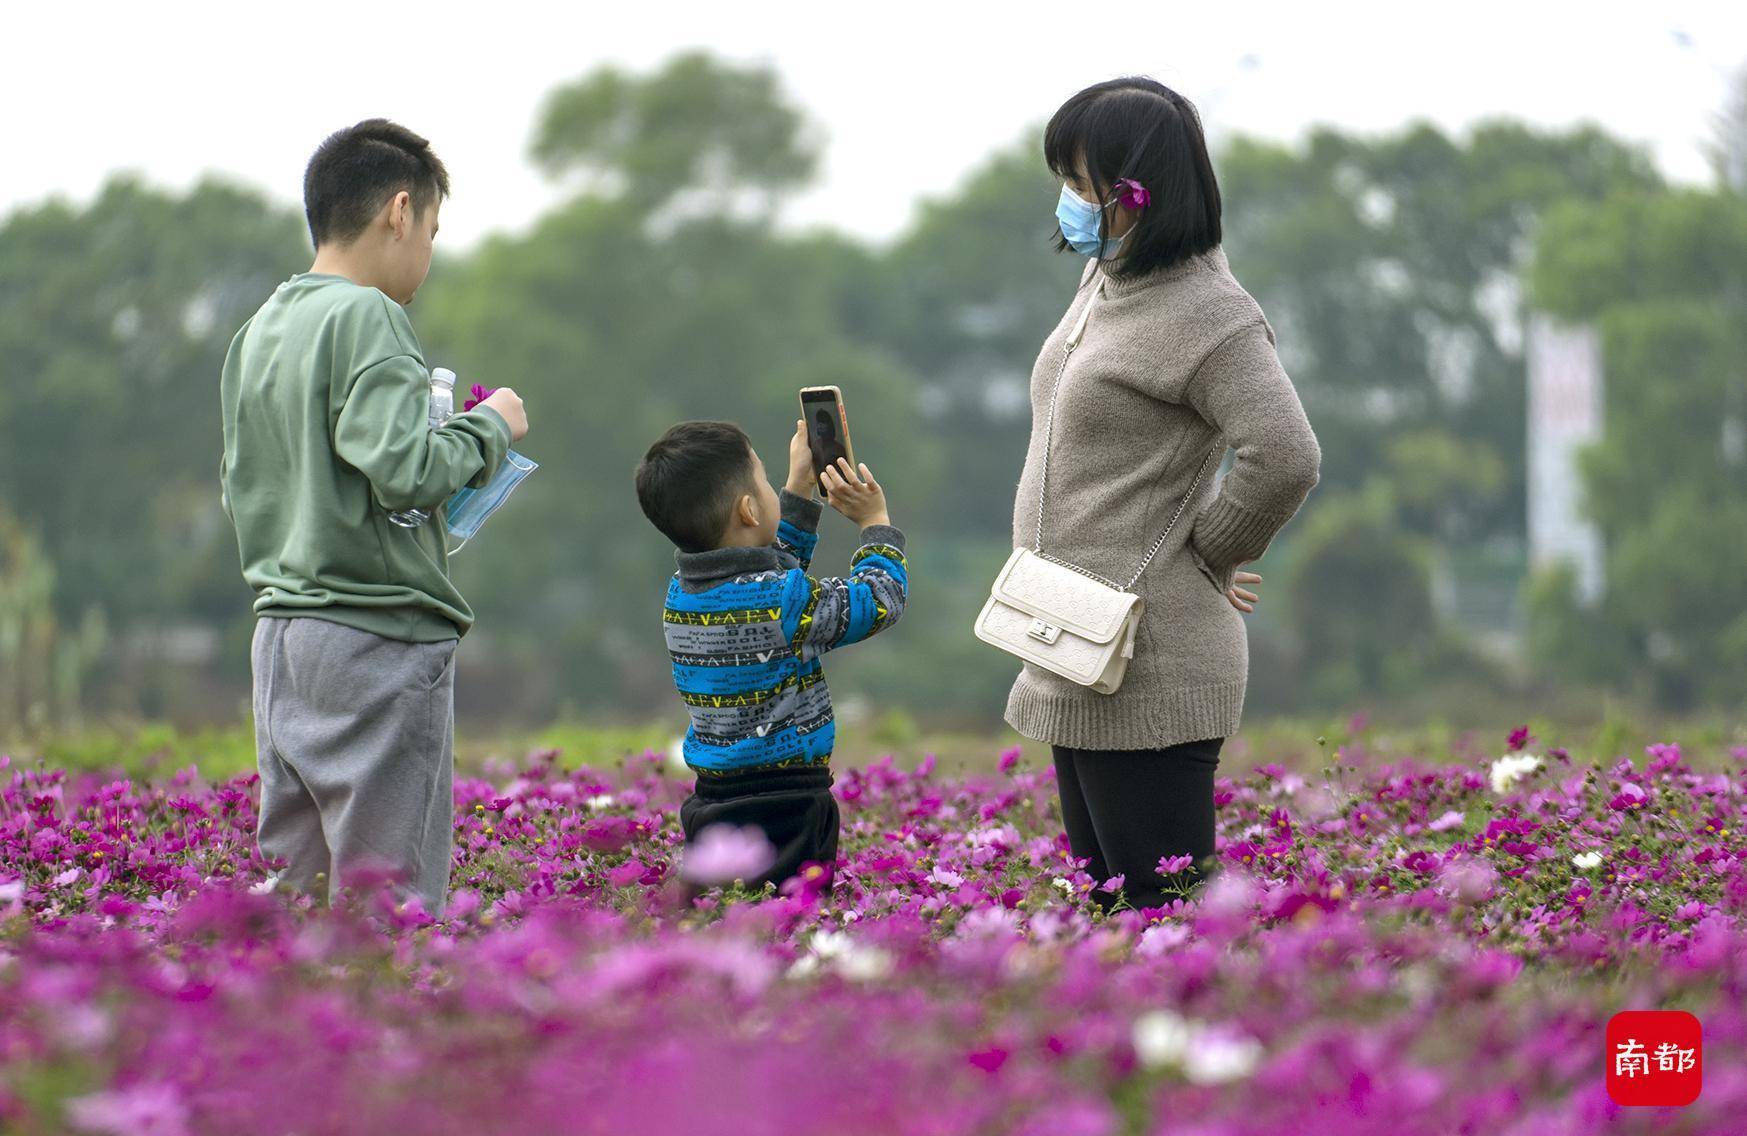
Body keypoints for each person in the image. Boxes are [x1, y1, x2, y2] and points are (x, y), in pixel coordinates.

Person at [1005, 78, 1320, 911]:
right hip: (1070, 634)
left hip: (1150, 659)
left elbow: (1284, 455)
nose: (1068, 203)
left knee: (1160, 913)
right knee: (1106, 911)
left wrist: (1206, 554)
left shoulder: (1212, 315)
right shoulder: (1106, 285)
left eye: (1082, 185)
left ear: (1137, 196)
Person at [219, 119, 531, 917]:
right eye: (430, 228)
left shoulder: (261, 331)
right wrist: (491, 425)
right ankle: (399, 1041)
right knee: (388, 905)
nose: (427, 251)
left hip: (283, 640)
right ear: (399, 211)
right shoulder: (371, 318)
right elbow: (406, 473)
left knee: (302, 891)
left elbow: (242, 485)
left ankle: (287, 1038)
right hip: (377, 635)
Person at [635, 419, 907, 894]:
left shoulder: (682, 595)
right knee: (788, 926)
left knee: (725, 918)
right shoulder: (783, 601)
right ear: (747, 508)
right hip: (789, 806)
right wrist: (875, 523)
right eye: (764, 480)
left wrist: (798, 489)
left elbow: (766, 570)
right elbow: (880, 600)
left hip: (712, 801)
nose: (771, 488)